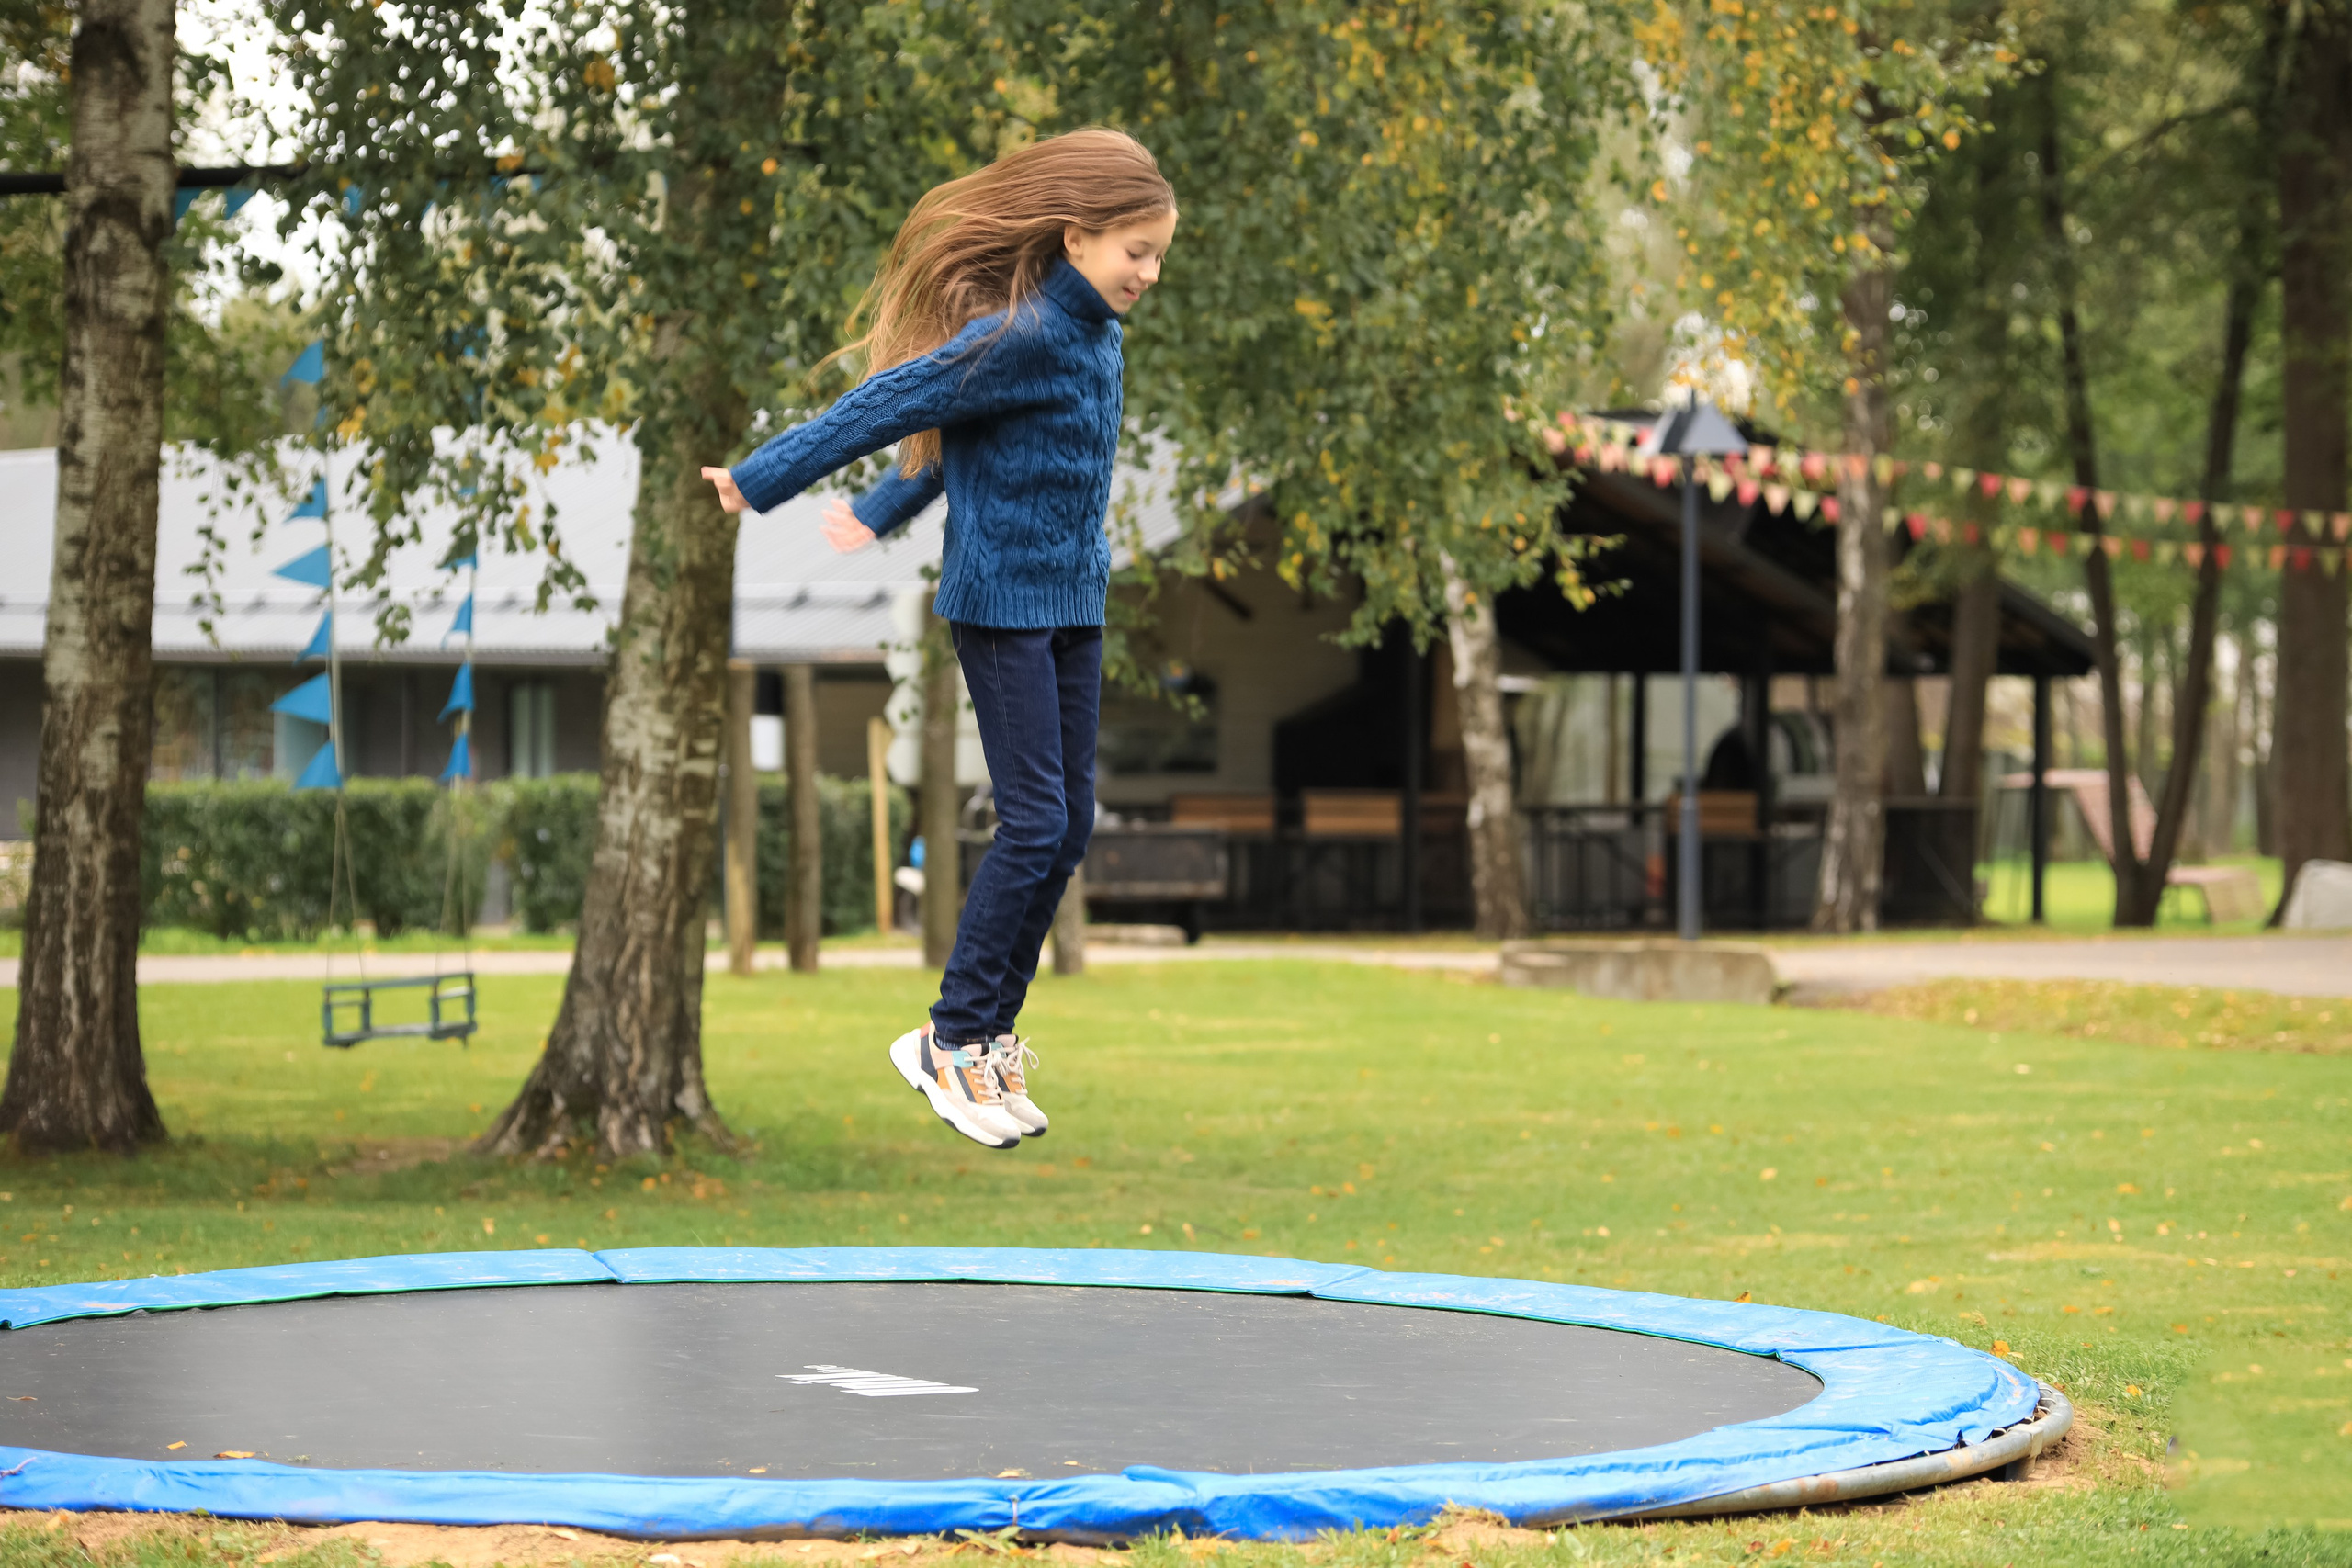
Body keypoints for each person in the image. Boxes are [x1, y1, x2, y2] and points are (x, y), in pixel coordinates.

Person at [702, 128, 1178, 1150]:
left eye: (1157, 257)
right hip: (1001, 604)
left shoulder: (1098, 339)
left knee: (1071, 826)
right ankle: (948, 1039)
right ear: (1076, 237)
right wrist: (762, 477)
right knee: (1034, 821)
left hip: (1074, 602)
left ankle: (988, 1035)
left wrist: (882, 510)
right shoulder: (1018, 334)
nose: (1148, 273)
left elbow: (976, 439)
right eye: (1135, 251)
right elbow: (896, 403)